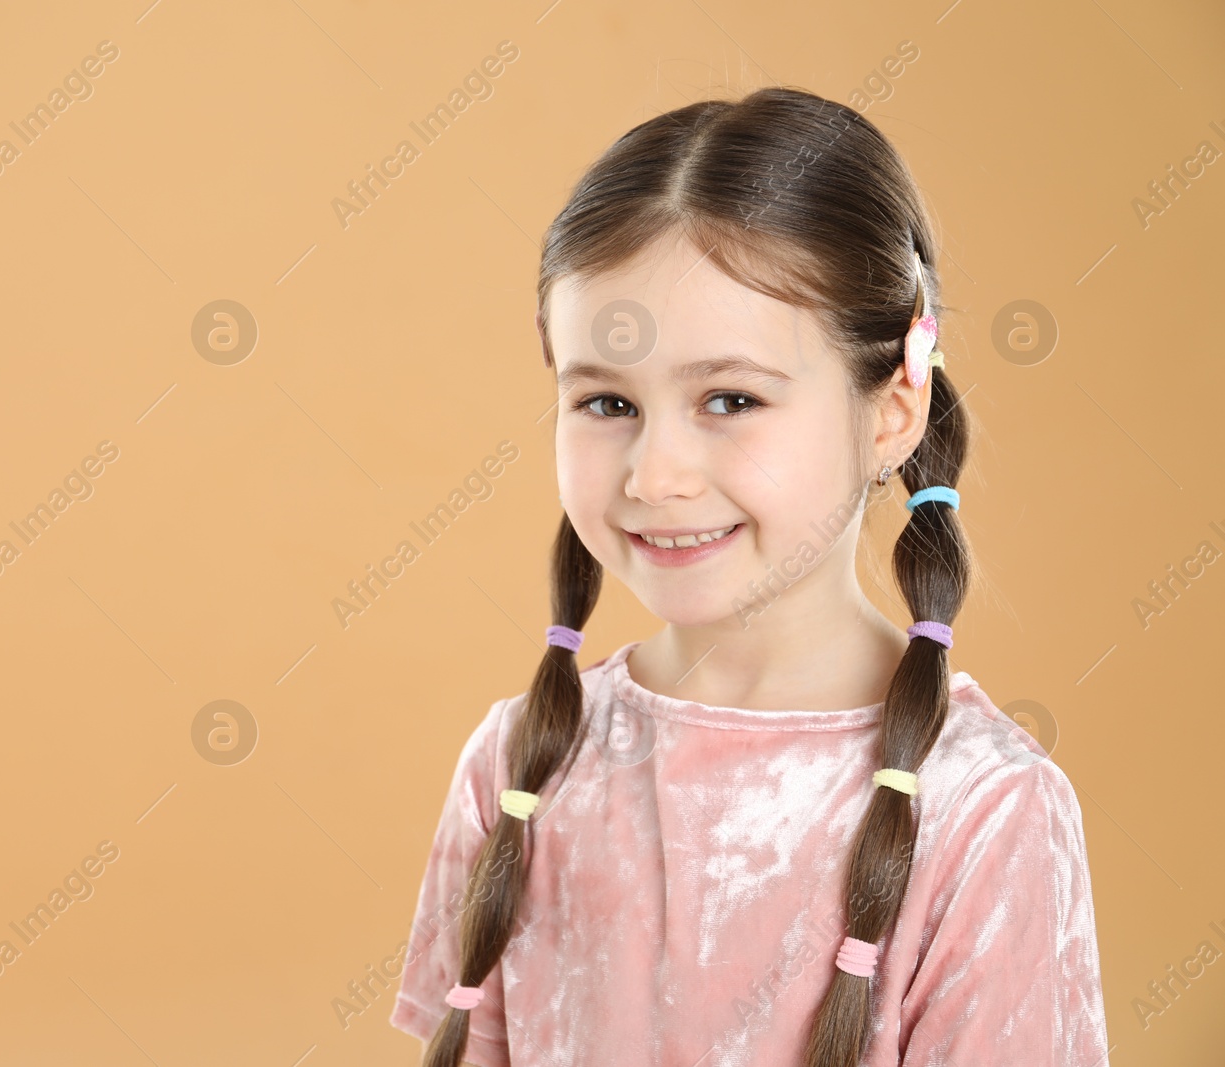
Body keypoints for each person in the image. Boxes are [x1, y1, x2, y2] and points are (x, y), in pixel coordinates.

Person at [388, 86, 1109, 1067]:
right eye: (605, 401)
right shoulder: (520, 764)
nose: (655, 474)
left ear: (893, 410)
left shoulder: (987, 809)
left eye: (730, 397)